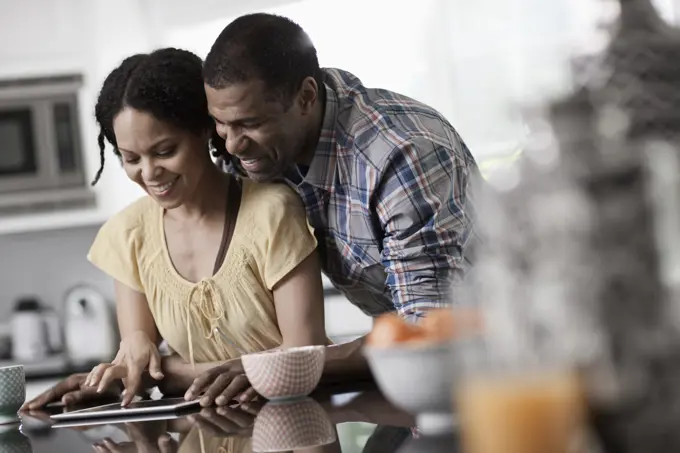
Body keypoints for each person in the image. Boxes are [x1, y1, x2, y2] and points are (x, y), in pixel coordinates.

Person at [185, 13, 480, 403]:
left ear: (307, 96)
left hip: (503, 360)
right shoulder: (258, 151)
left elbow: (428, 332)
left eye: (250, 123)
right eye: (221, 124)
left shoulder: (399, 154)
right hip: (404, 372)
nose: (233, 146)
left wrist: (283, 366)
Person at [23, 47, 327, 410]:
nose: (149, 173)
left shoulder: (272, 212)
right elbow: (141, 364)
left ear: (204, 130)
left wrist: (170, 372)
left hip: (295, 420)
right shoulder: (129, 234)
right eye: (131, 158)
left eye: (165, 151)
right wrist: (117, 375)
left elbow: (307, 355)